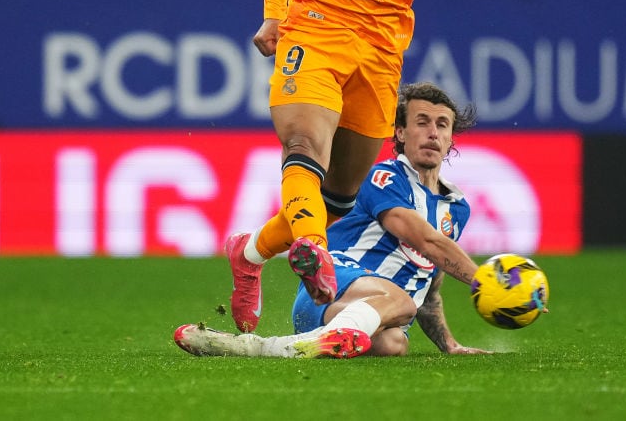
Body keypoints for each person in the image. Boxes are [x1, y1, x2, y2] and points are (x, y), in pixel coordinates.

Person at [224, 0, 571, 335]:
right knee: (302, 145)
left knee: (338, 197)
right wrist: (274, 12)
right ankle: (311, 248)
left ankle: (248, 256)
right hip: (313, 29)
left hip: (382, 47)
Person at [175, 82, 490, 358]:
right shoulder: (383, 177)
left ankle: (265, 347)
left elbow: (430, 285)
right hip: (329, 289)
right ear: (400, 132)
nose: (433, 133)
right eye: (422, 122)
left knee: (394, 344)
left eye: (443, 125)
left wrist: (449, 344)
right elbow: (425, 240)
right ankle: (306, 337)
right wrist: (486, 283)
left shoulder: (455, 208)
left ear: (451, 138)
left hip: (370, 314)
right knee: (402, 302)